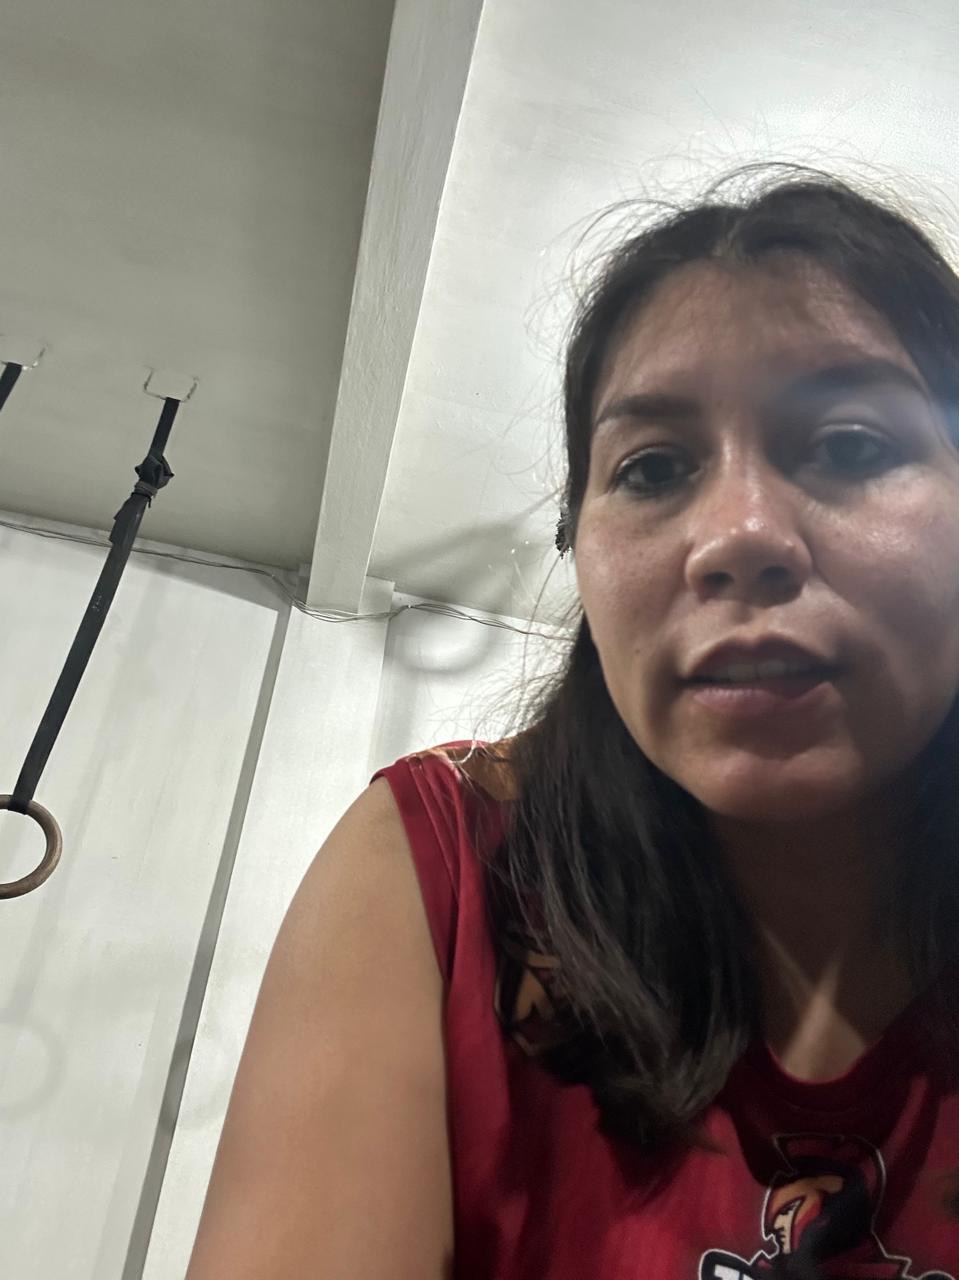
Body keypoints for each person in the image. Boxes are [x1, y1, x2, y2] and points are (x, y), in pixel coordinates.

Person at [184, 163, 959, 1279]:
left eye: (848, 446)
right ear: (582, 548)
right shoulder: (447, 865)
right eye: (652, 467)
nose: (737, 534)